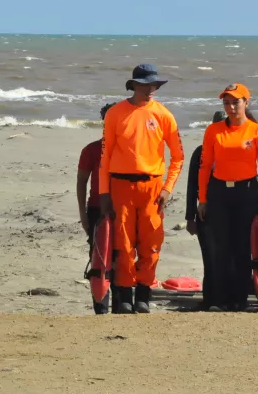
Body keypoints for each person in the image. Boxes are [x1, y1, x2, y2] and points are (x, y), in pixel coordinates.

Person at [99, 64, 184, 314]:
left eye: (153, 85)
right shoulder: (115, 113)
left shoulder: (164, 115)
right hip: (120, 186)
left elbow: (178, 157)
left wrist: (168, 188)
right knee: (123, 244)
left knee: (151, 244)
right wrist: (104, 193)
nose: (150, 90)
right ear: (134, 85)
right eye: (145, 85)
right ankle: (124, 296)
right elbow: (105, 157)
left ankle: (143, 295)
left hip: (153, 187)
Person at [197, 83, 258, 312]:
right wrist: (203, 199)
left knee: (241, 247)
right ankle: (220, 300)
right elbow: (204, 167)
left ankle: (240, 300)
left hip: (247, 193)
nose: (230, 107)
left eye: (235, 102)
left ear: (246, 103)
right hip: (219, 193)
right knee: (221, 248)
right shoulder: (213, 131)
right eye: (226, 102)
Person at [77, 102, 117, 314]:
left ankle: (121, 306)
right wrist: (83, 215)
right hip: (96, 210)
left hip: (123, 210)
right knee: (98, 258)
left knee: (121, 258)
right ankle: (101, 309)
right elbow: (81, 182)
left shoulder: (127, 150)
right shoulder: (91, 150)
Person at [185, 110, 226, 311]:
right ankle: (210, 300)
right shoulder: (200, 152)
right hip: (205, 213)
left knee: (229, 256)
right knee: (210, 256)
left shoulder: (237, 150)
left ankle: (227, 299)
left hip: (231, 212)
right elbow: (192, 186)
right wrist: (189, 217)